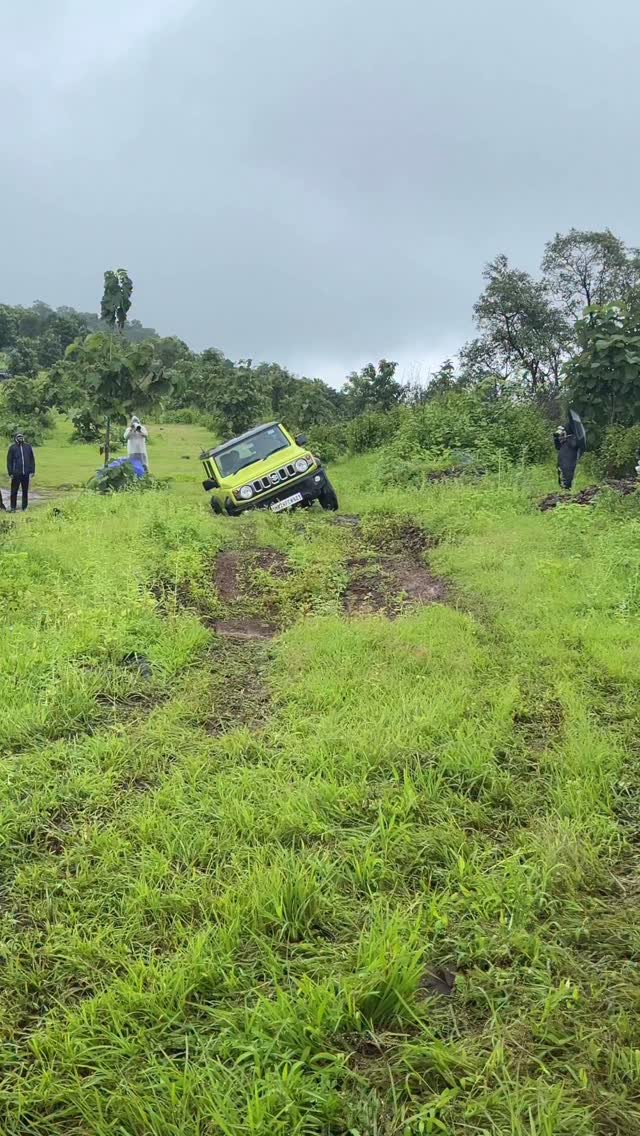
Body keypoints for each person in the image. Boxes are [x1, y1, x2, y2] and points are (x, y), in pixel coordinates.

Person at [7, 431, 36, 512]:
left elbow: (32, 459)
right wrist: (10, 472)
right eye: (19, 437)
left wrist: (32, 470)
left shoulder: (28, 447)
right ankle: (13, 507)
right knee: (14, 491)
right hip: (16, 473)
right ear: (16, 438)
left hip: (26, 473)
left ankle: (24, 507)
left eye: (21, 437)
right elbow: (9, 461)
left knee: (25, 491)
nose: (20, 438)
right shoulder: (12, 448)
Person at [553, 425, 579, 491]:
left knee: (568, 477)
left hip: (570, 461)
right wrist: (556, 439)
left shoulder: (574, 438)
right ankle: (563, 490)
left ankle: (567, 490)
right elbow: (557, 447)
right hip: (561, 460)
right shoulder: (563, 439)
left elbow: (574, 445)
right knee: (561, 476)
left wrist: (567, 438)